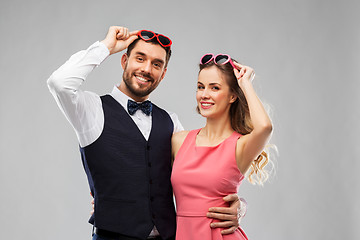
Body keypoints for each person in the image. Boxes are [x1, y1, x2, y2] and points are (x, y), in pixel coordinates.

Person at [47, 26, 245, 240]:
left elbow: (205, 176)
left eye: (156, 64)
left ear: (163, 74)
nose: (147, 69)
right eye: (140, 58)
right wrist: (107, 47)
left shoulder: (171, 122)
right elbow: (59, 83)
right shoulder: (91, 109)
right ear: (124, 61)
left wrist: (240, 207)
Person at [171, 53, 274, 239]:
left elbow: (265, 127)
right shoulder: (178, 141)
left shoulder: (239, 146)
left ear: (232, 96)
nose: (204, 95)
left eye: (215, 88)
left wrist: (245, 83)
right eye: (200, 87)